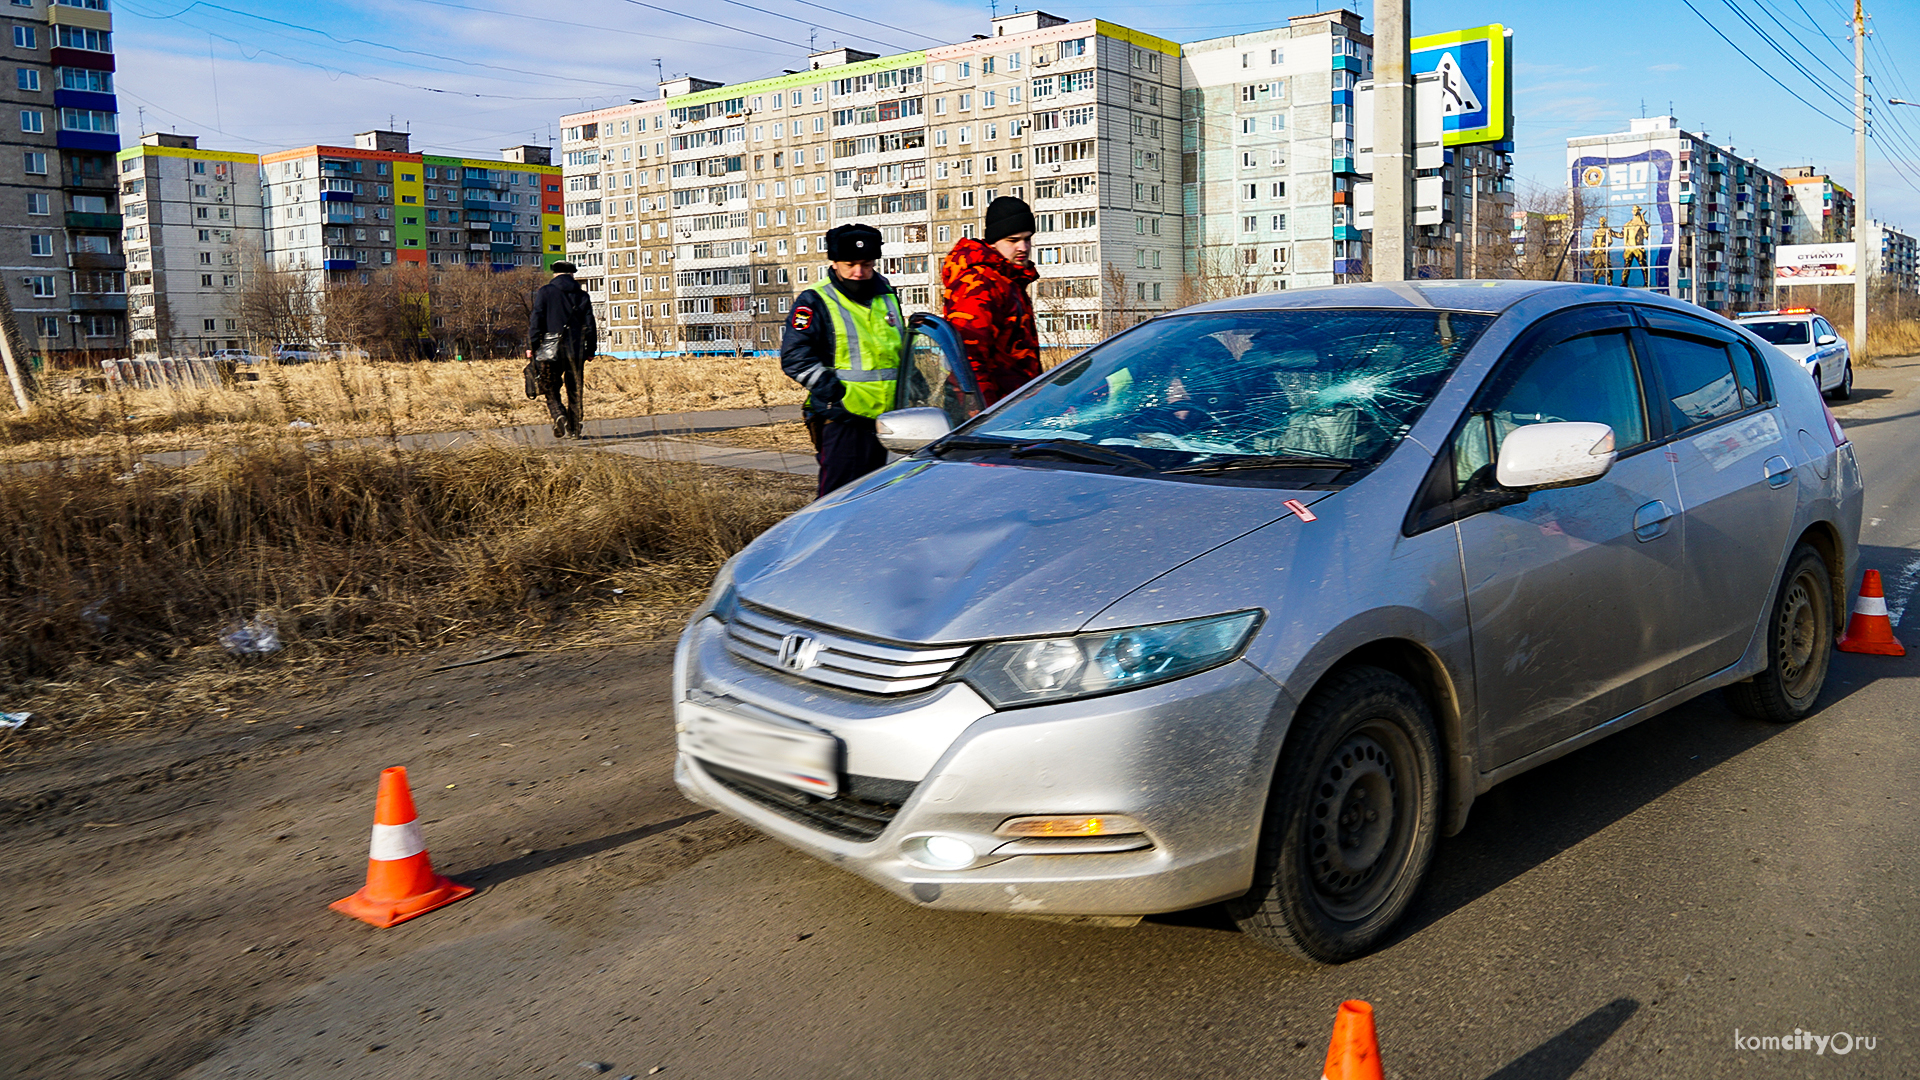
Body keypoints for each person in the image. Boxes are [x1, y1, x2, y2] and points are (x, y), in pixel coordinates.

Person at [781, 223, 907, 496]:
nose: (858, 272)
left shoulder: (887, 293)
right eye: (850, 264)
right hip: (843, 420)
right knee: (837, 502)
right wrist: (834, 392)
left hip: (891, 420)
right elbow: (794, 356)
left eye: (866, 264)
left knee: (879, 502)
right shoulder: (815, 299)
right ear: (834, 262)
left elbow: (899, 348)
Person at [940, 195, 1041, 406]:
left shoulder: (1008, 279)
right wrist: (981, 419)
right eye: (1013, 240)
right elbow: (968, 361)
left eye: (1027, 238)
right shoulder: (979, 283)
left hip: (1014, 408)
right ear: (993, 242)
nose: (1023, 247)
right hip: (995, 415)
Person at [527, 260, 597, 438]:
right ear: (572, 275)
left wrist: (533, 346)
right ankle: (574, 428)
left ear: (554, 274)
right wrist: (591, 350)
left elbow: (537, 320)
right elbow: (590, 324)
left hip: (550, 347)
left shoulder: (545, 292)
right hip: (576, 348)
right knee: (575, 389)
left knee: (550, 385)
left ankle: (559, 414)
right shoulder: (582, 296)